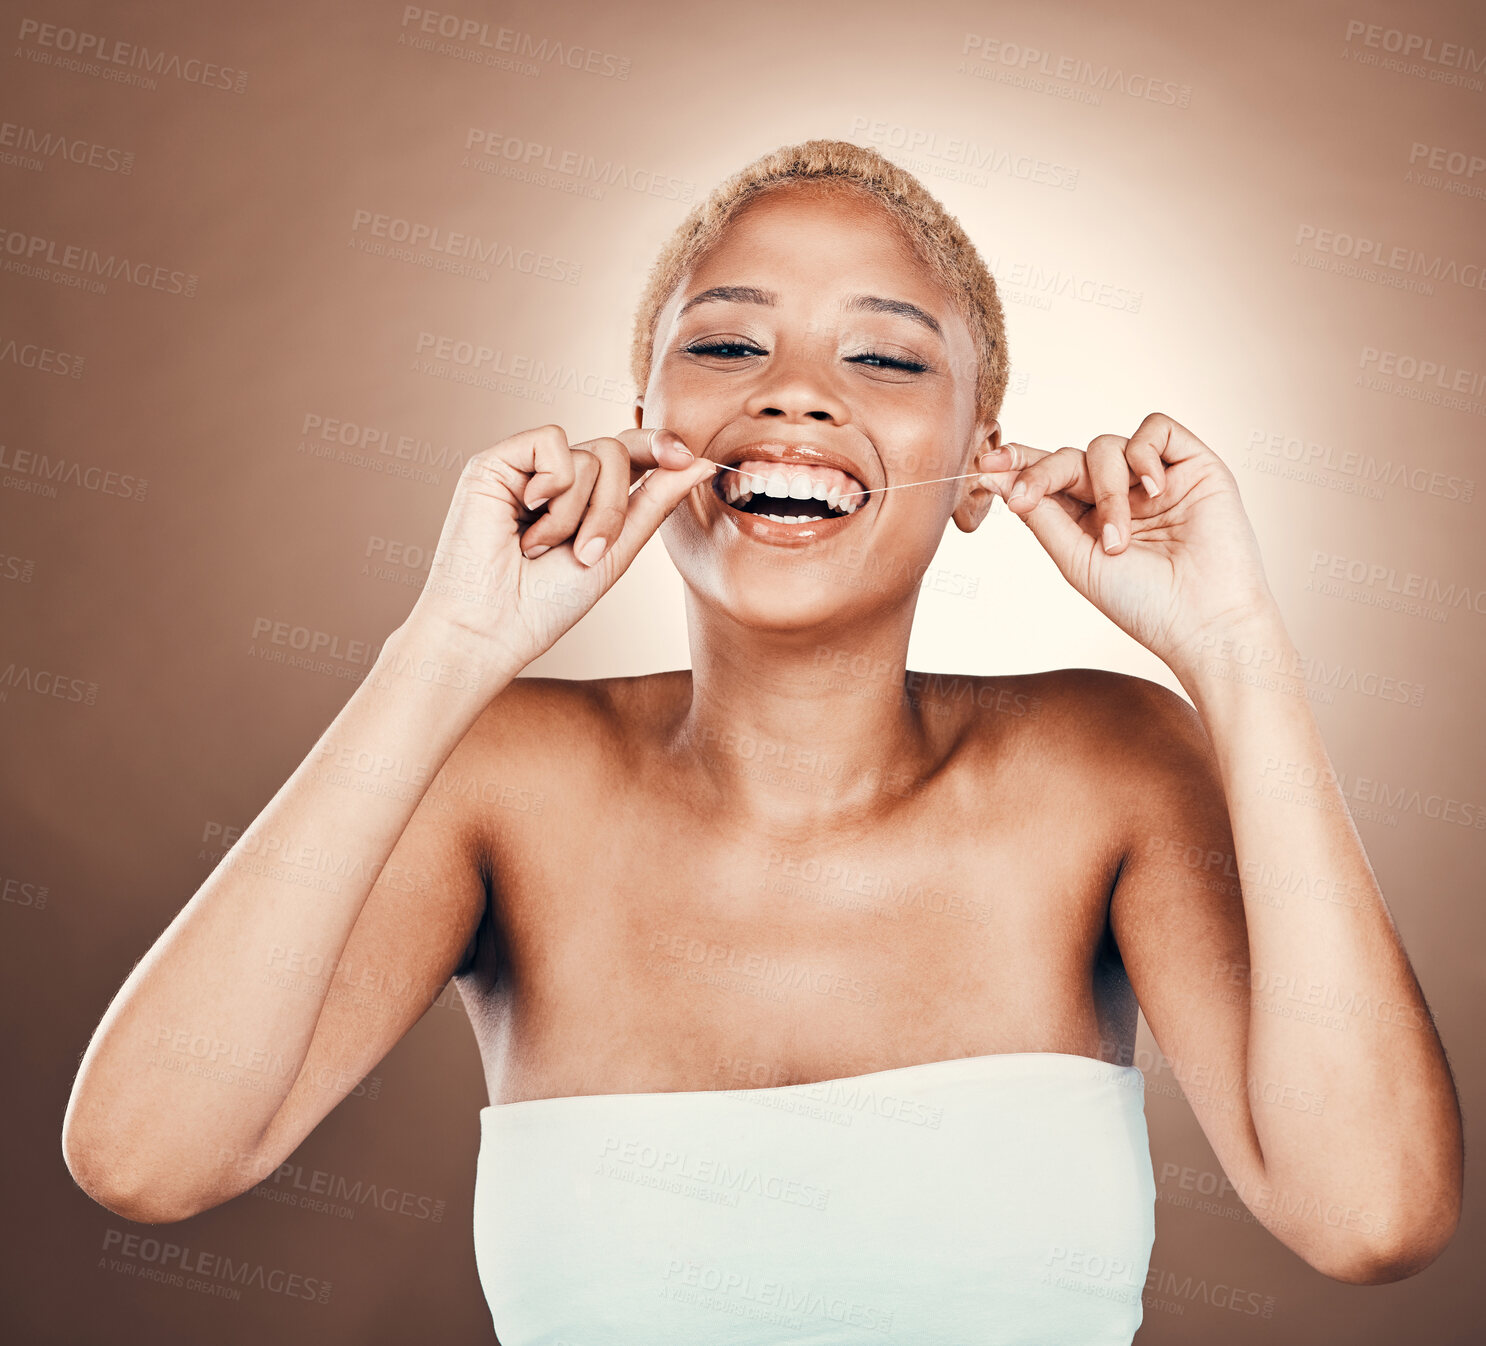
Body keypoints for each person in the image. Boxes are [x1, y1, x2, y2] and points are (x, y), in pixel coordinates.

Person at [62, 139, 1462, 1343]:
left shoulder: (1108, 762)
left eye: (883, 356)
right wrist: (445, 648)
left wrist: (1238, 652)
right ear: (645, 430)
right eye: (727, 344)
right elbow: (146, 1156)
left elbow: (1370, 1213)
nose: (794, 392)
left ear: (980, 462)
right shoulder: (502, 774)